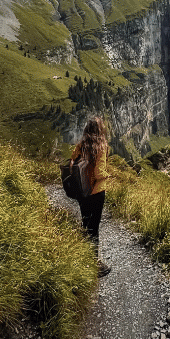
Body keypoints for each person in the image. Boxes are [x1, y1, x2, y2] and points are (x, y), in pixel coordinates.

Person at [71, 117, 111, 277]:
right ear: (100, 130)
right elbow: (99, 173)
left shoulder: (80, 145)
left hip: (82, 191)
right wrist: (108, 175)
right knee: (94, 227)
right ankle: (94, 265)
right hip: (96, 192)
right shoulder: (101, 146)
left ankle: (84, 258)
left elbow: (72, 162)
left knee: (86, 223)